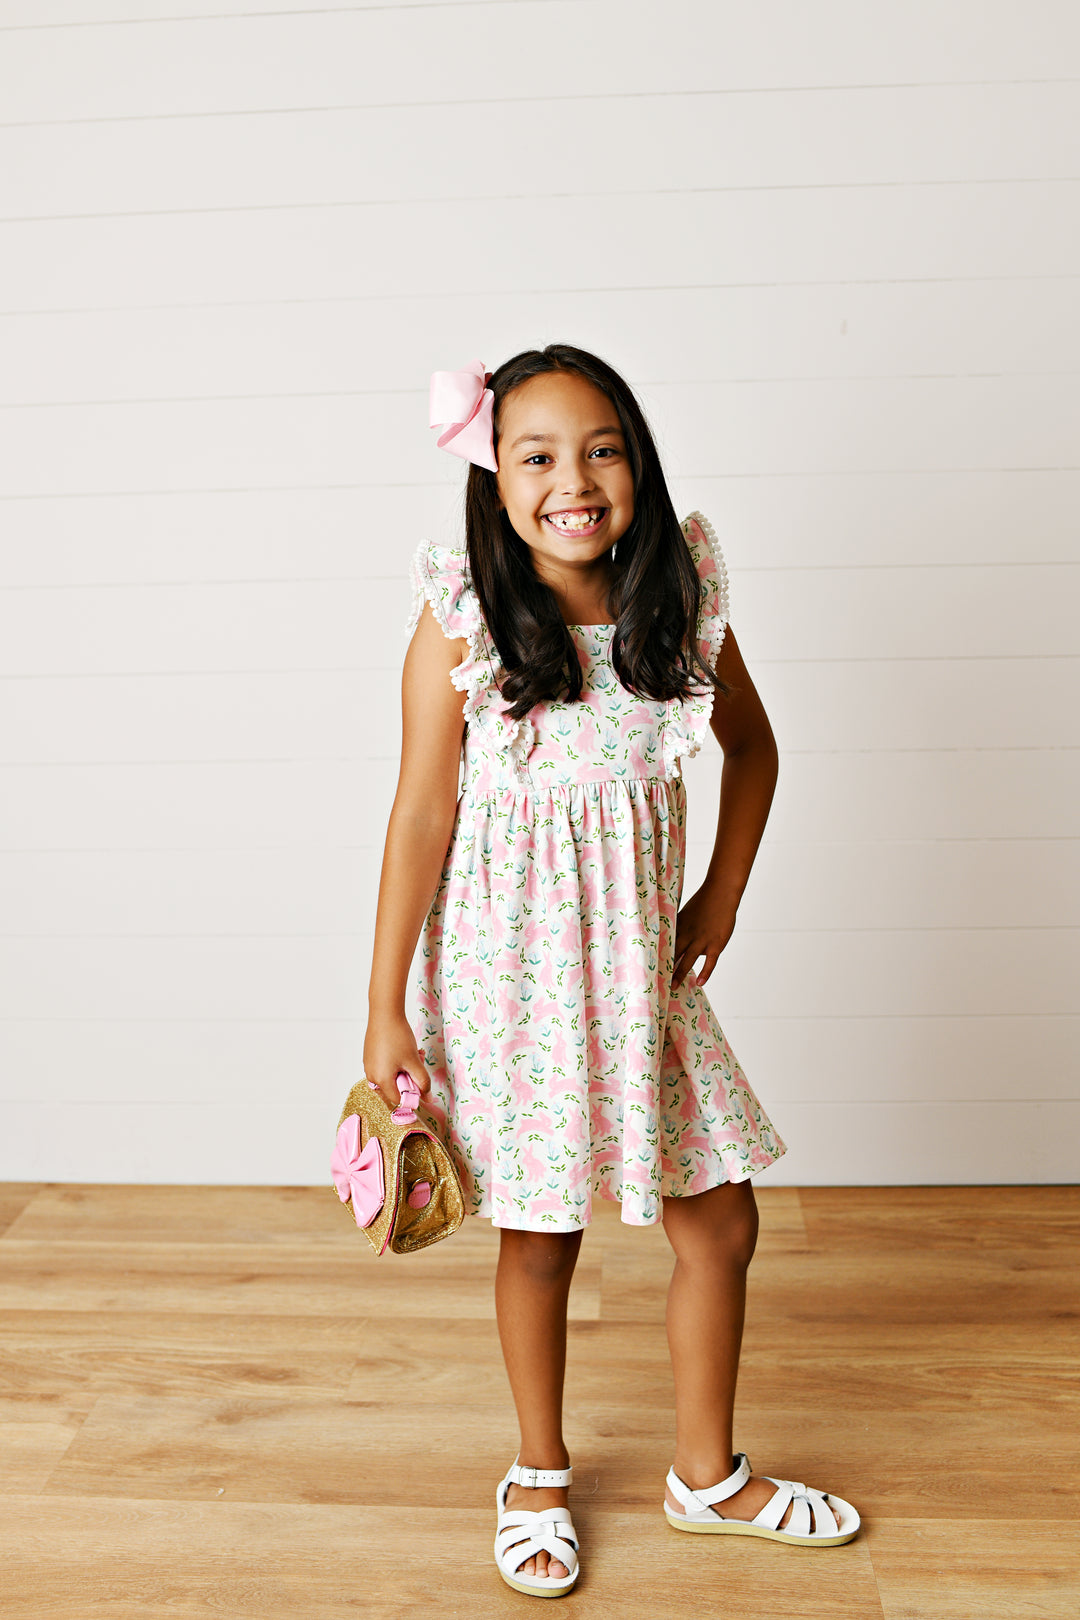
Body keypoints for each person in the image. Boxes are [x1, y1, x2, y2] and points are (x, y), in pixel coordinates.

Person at [363, 345, 860, 1597]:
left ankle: (709, 1473)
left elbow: (755, 750)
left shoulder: (678, 597)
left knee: (723, 1217)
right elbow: (420, 814)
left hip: (644, 986)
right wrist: (384, 1010)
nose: (573, 482)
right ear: (494, 474)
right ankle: (536, 1471)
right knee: (540, 1236)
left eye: (601, 450)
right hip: (509, 985)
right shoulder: (463, 621)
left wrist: (722, 897)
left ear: (636, 458)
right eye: (536, 456)